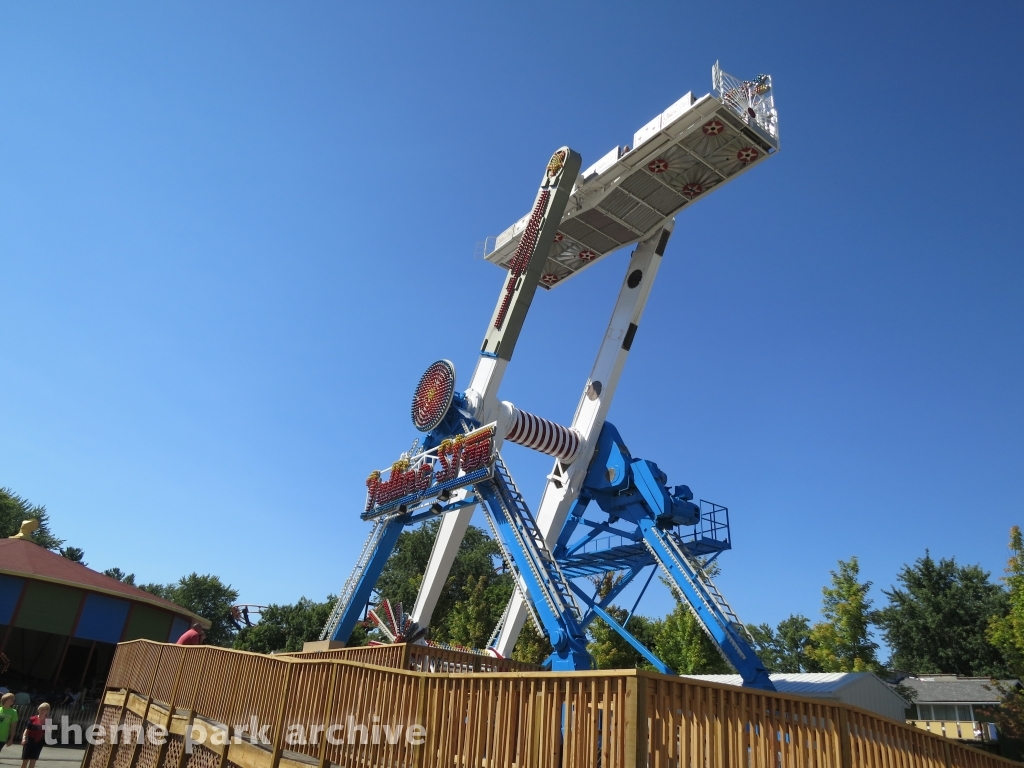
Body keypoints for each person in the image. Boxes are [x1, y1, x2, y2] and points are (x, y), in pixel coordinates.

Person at [20, 702, 49, 768]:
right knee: (25, 760)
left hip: (39, 742)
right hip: (29, 741)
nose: (42, 711)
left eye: (44, 709)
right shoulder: (32, 719)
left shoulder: (48, 720)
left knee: (33, 761)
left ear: (47, 711)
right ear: (38, 710)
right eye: (41, 709)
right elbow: (27, 729)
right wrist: (24, 738)